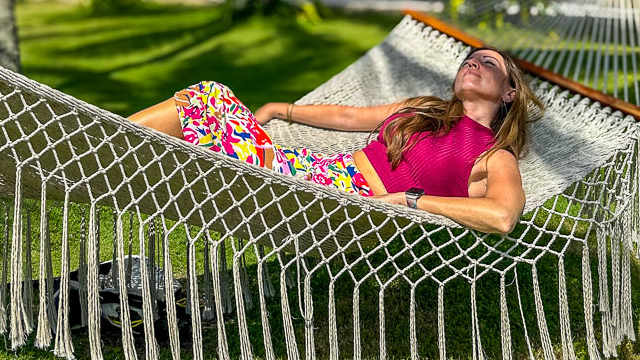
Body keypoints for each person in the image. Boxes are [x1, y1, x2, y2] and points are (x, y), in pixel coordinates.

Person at [127, 46, 545, 236]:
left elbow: (502, 217)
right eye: (468, 59)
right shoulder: (423, 108)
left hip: (340, 200)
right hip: (311, 171)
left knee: (208, 96)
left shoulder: (494, 155)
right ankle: (109, 138)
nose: (472, 62)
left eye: (487, 62)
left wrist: (412, 202)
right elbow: (348, 117)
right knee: (210, 94)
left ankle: (112, 142)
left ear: (509, 93)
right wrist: (280, 109)